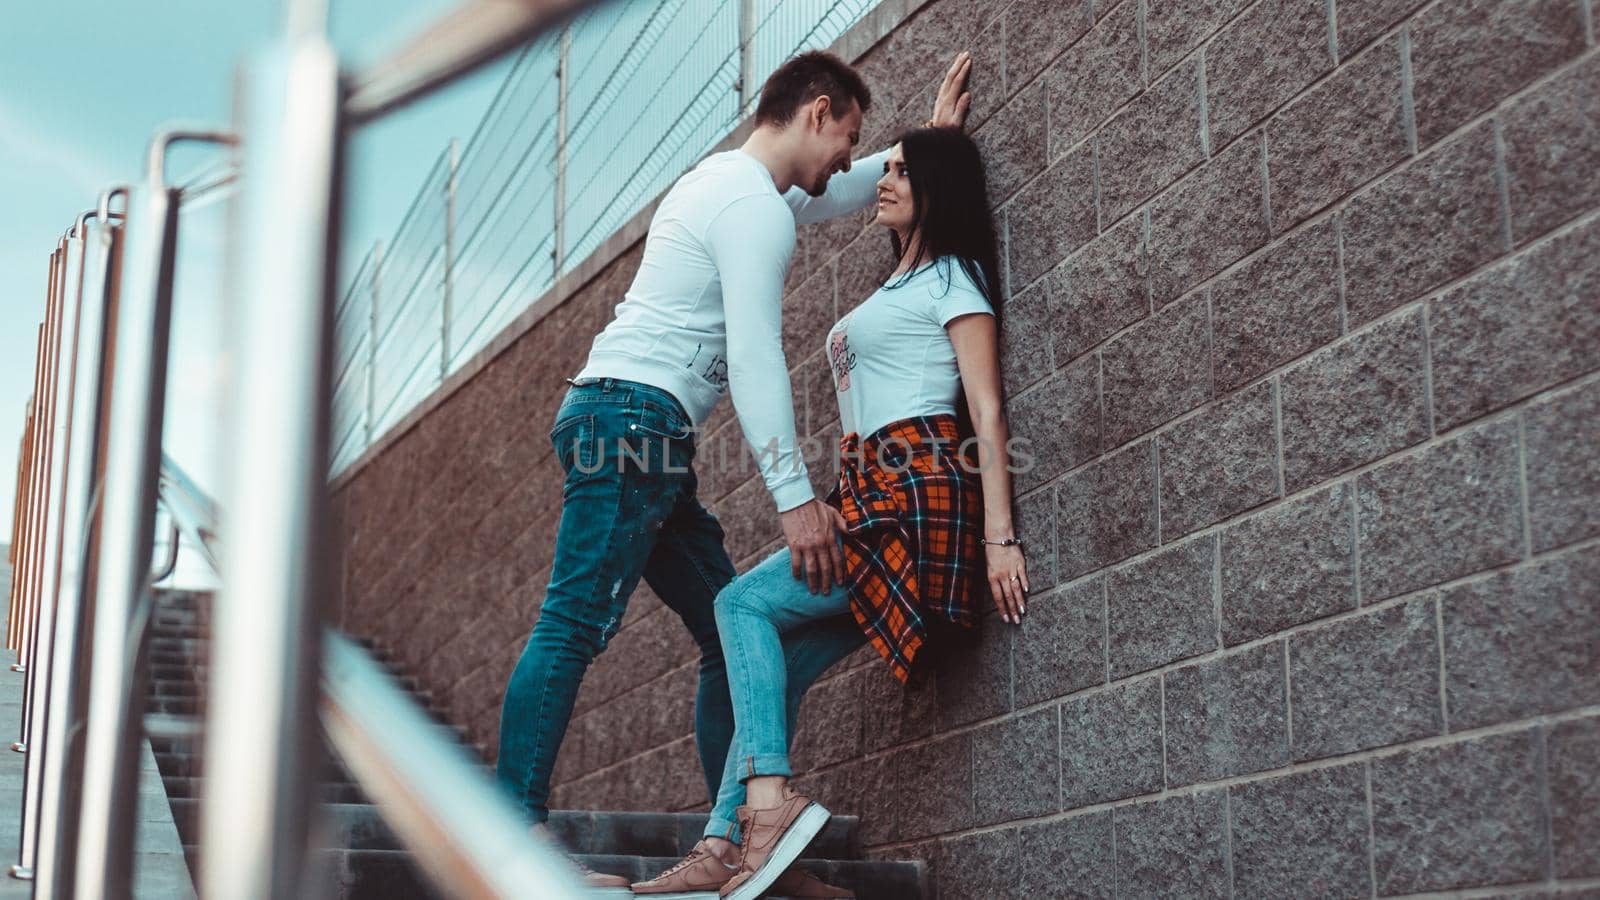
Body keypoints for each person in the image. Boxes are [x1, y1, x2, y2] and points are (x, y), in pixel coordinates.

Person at [493, 49, 974, 891]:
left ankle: (746, 848)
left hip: (642, 428)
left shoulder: (731, 184)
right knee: (574, 623)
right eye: (849, 137)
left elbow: (841, 187)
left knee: (730, 635)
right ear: (817, 111)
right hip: (631, 422)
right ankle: (508, 840)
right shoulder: (752, 210)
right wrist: (794, 499)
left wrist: (923, 146)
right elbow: (754, 355)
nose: (847, 160)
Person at [633, 126, 1027, 900]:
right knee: (778, 667)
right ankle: (725, 840)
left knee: (737, 603)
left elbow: (987, 412)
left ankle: (768, 810)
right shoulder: (900, 282)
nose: (882, 178)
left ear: (937, 190)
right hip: (869, 496)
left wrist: (999, 538)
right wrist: (936, 123)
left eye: (903, 172)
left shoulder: (956, 278)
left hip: (917, 500)